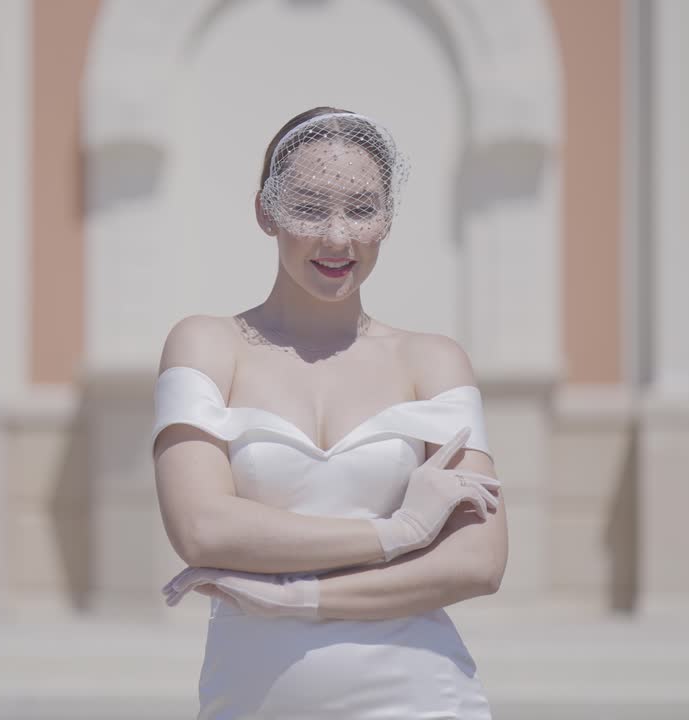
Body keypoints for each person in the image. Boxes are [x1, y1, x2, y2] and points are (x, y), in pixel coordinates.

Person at [150, 106, 508, 719]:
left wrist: (301, 599)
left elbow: (478, 561)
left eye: (362, 209)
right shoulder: (207, 345)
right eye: (311, 208)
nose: (338, 238)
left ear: (388, 217)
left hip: (420, 698)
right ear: (265, 211)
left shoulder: (434, 360)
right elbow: (202, 528)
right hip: (252, 700)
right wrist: (400, 534)